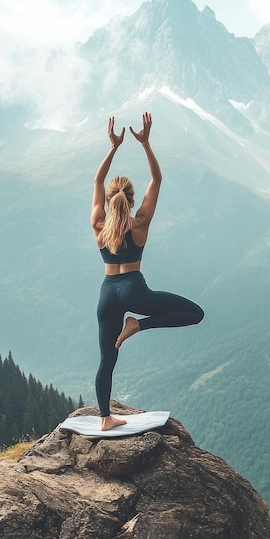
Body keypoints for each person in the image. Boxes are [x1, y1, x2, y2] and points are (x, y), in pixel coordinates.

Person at [91, 112, 204, 431]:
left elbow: (98, 182)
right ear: (130, 199)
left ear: (110, 199)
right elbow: (156, 180)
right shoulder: (139, 224)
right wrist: (146, 143)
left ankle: (104, 418)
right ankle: (138, 326)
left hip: (106, 293)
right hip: (134, 289)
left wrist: (112, 148)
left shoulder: (98, 225)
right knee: (194, 313)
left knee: (106, 361)